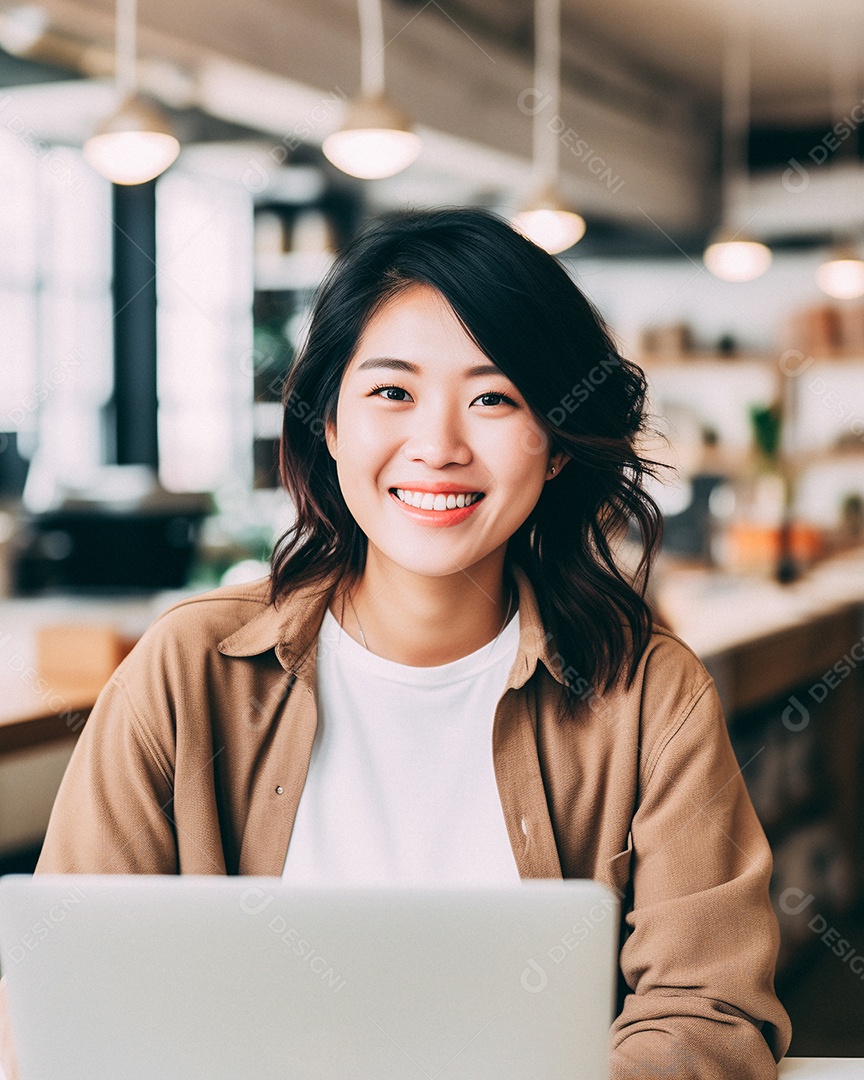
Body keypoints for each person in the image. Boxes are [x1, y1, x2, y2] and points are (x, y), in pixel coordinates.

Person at [0, 207, 791, 1079]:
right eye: (392, 392)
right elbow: (78, 997)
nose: (439, 447)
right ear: (330, 424)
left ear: (557, 446)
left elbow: (707, 1011)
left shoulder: (648, 695)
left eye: (494, 397)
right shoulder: (184, 676)